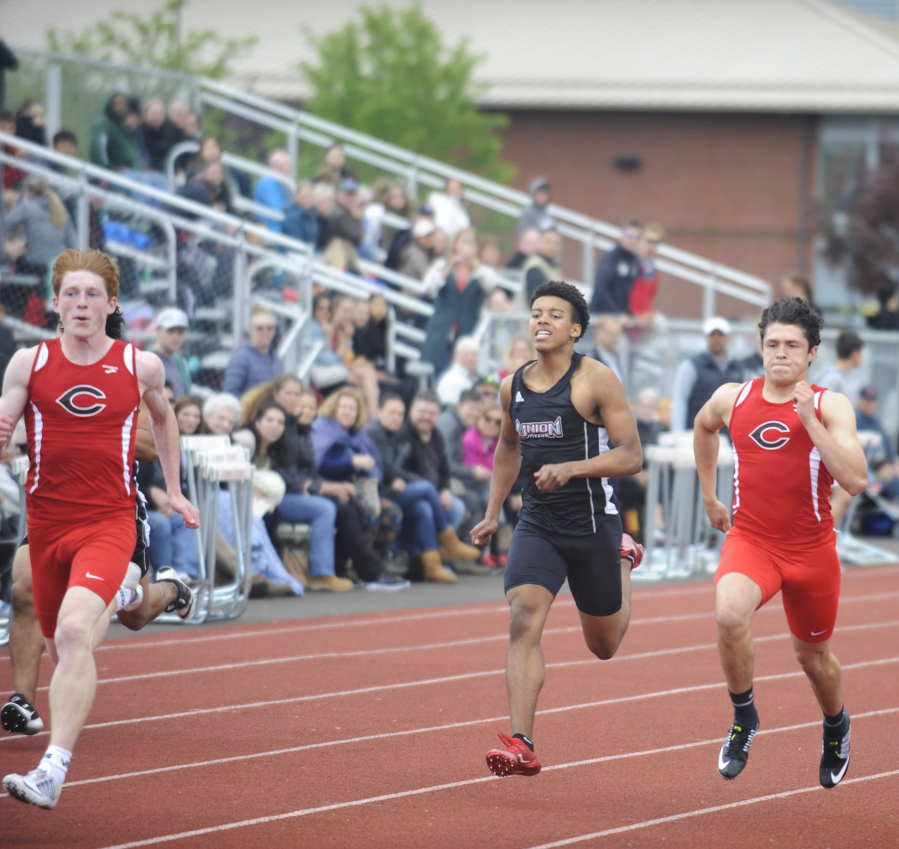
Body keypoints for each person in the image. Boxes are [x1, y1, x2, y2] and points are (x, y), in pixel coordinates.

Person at [0, 248, 199, 809]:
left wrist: (177, 490)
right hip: (45, 523)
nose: (81, 303)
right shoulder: (28, 363)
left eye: (93, 295)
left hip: (108, 521)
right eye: (71, 294)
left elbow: (163, 419)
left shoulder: (141, 365)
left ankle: (51, 771)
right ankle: (138, 591)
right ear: (56, 305)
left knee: (70, 633)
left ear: (112, 304)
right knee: (70, 636)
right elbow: (5, 423)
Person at [469, 280, 643, 778]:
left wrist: (573, 467)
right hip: (539, 523)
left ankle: (624, 558)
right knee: (523, 615)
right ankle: (522, 741)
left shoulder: (597, 380)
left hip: (592, 525)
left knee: (603, 646)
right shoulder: (513, 386)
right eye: (535, 313)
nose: (541, 321)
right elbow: (508, 447)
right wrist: (492, 509)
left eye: (553, 314)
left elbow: (631, 456)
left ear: (575, 329)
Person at [694, 296, 866, 788]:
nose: (781, 354)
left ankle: (836, 726)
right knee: (729, 613)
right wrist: (709, 496)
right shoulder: (734, 397)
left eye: (793, 346)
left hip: (811, 553)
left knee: (813, 660)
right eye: (773, 344)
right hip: (753, 542)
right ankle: (744, 716)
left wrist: (809, 419)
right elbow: (703, 427)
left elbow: (855, 480)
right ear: (760, 346)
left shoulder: (831, 405)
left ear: (812, 352)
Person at [366, 393, 478, 582]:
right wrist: (399, 478)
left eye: (398, 414)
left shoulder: (435, 435)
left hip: (420, 496)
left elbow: (445, 469)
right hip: (390, 492)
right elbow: (389, 467)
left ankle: (431, 566)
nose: (395, 418)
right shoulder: (389, 433)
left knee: (428, 508)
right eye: (391, 413)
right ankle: (448, 542)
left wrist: (445, 490)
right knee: (426, 489)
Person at [420, 229, 498, 371]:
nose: (466, 247)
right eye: (464, 241)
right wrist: (449, 266)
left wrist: (475, 263)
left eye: (471, 242)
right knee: (438, 370)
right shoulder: (442, 265)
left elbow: (490, 285)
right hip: (443, 332)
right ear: (456, 244)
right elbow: (428, 288)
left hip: (467, 332)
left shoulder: (482, 271)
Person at [670, 316, 743, 433]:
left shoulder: (739, 368)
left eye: (720, 335)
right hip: (699, 435)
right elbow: (680, 400)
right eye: (712, 335)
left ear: (728, 337)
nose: (716, 339)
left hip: (731, 437)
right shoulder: (692, 366)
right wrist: (678, 434)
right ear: (705, 337)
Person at [222, 306, 283, 397]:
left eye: (269, 328)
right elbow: (231, 392)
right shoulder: (241, 357)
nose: (265, 331)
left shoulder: (274, 357)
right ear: (251, 330)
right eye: (259, 328)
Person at [589, 219, 643, 318]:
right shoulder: (611, 258)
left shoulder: (636, 263)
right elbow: (601, 289)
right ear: (622, 235)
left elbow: (633, 295)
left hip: (621, 320)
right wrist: (616, 314)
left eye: (638, 237)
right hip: (600, 317)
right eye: (630, 235)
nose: (633, 240)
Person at [135, 97, 186, 173]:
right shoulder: (140, 133)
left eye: (160, 114)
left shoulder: (171, 130)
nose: (157, 117)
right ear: (145, 115)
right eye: (153, 113)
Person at [151, 307, 191, 398]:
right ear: (158, 331)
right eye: (170, 331)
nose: (175, 337)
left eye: (180, 332)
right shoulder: (147, 360)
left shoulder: (180, 362)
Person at [629, 223, 664, 328]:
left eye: (656, 243)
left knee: (662, 323)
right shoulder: (629, 263)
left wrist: (647, 315)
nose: (652, 246)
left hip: (645, 318)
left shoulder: (652, 269)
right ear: (640, 240)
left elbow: (650, 296)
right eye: (649, 241)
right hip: (628, 317)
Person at [815, 330, 864, 402]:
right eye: (860, 353)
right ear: (855, 354)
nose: (861, 357)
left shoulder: (846, 377)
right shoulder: (832, 378)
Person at [520, 228, 563, 308]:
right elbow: (539, 301)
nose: (553, 246)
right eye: (549, 242)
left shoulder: (551, 265)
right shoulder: (535, 266)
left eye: (557, 243)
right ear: (540, 242)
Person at [253, 149, 293, 233]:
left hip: (282, 229)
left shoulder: (282, 184)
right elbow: (279, 210)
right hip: (273, 230)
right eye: (288, 164)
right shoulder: (267, 182)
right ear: (280, 166)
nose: (291, 168)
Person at [435, 336, 480, 406]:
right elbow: (448, 408)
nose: (471, 359)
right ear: (456, 356)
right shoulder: (452, 380)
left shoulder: (474, 379)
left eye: (474, 355)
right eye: (466, 354)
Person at [587, 314, 624, 384]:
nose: (617, 339)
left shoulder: (617, 358)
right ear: (599, 334)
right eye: (613, 334)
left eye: (618, 335)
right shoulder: (591, 362)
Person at [282, 180, 318, 247]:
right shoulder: (291, 214)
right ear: (296, 196)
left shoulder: (312, 215)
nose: (308, 199)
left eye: (310, 196)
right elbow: (298, 240)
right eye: (305, 196)